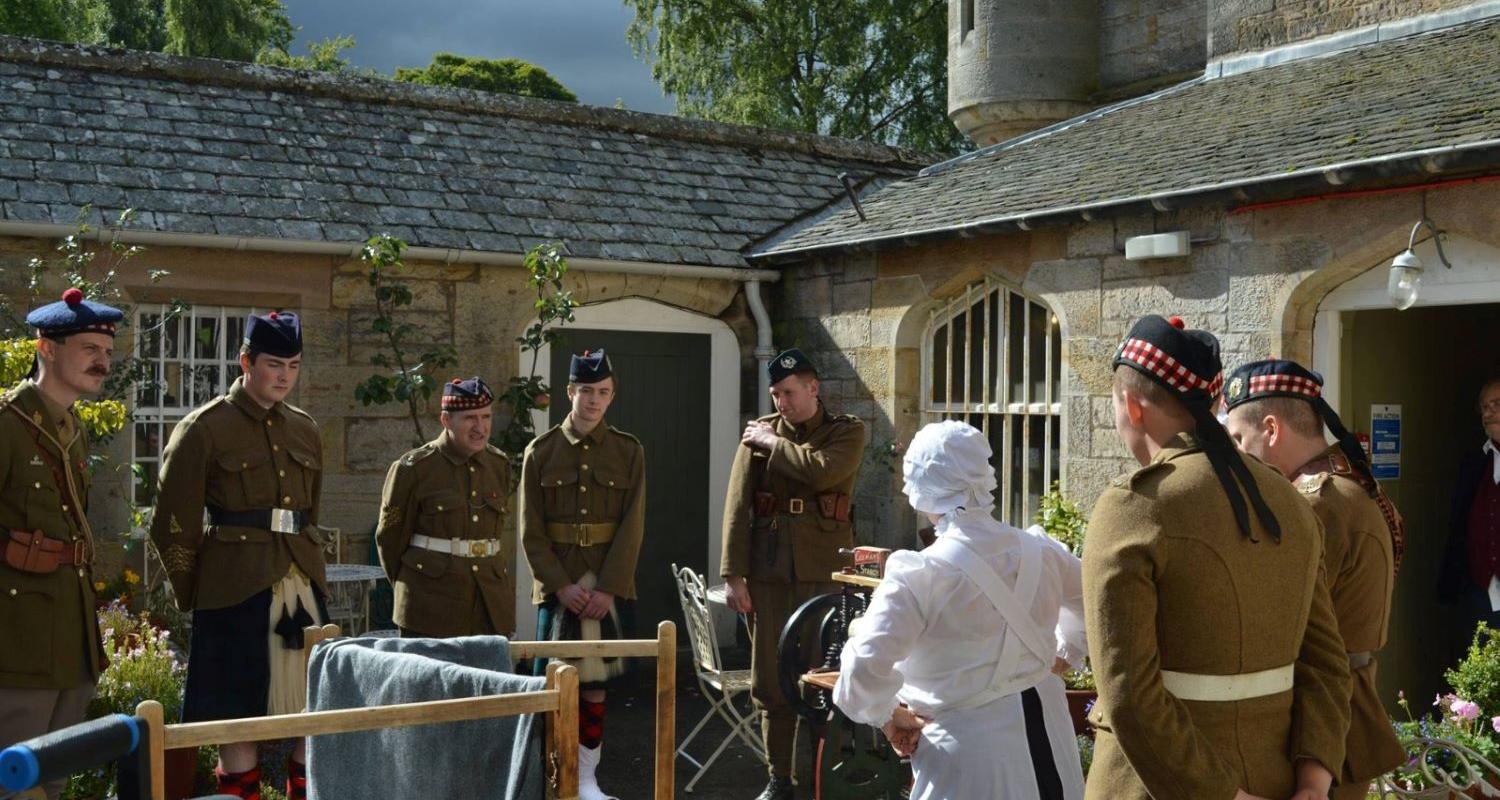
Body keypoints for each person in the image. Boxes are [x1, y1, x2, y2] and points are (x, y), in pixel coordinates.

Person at [1083, 314, 1350, 800]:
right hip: (1279, 781)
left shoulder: (1134, 507)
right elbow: (1328, 665)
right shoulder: (1289, 499)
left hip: (1159, 787)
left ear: (1131, 406)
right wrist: (1314, 781)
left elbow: (1128, 694)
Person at [834, 420, 1086, 800]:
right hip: (1050, 744)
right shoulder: (1041, 552)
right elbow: (1093, 601)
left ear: (922, 490)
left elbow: (862, 670)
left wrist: (888, 716)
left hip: (968, 762)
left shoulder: (921, 574)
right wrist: (1064, 653)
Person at [150, 311, 326, 800]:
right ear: (245, 360)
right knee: (236, 722)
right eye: (274, 364)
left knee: (317, 714)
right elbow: (172, 525)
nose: (285, 375)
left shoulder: (306, 429)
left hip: (300, 583)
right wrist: (199, 596)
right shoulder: (204, 428)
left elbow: (310, 512)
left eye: (293, 364)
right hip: (233, 590)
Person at [1223, 359, 1407, 799]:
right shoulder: (1348, 485)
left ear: (1271, 429)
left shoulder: (1313, 504)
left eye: (1238, 439)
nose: (1235, 455)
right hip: (1340, 708)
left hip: (1316, 723)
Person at [720, 347, 866, 800]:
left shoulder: (847, 432)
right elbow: (737, 506)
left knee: (826, 678)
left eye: (788, 392)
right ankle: (779, 779)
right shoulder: (758, 437)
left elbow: (822, 473)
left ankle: (826, 778)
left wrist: (773, 445)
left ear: (813, 388)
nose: (781, 402)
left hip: (825, 574)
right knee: (771, 683)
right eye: (775, 393)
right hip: (771, 574)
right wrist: (733, 575)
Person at [0, 289, 120, 800]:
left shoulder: (72, 430)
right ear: (46, 348)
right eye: (90, 349)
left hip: (70, 633)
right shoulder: (8, 426)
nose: (103, 362)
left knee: (55, 775)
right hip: (18, 638)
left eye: (108, 352)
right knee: (17, 778)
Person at [519, 349, 645, 800]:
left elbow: (633, 525)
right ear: (570, 392)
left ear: (612, 396)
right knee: (554, 684)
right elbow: (530, 531)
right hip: (561, 588)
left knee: (596, 688)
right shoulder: (541, 451)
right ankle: (551, 775)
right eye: (586, 391)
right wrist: (560, 585)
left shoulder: (629, 451)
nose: (594, 401)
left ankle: (586, 779)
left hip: (603, 589)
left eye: (603, 392)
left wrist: (609, 588)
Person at [376, 376, 515, 637]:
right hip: (429, 606)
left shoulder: (499, 465)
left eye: (486, 417)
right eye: (470, 418)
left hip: (489, 604)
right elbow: (390, 539)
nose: (480, 427)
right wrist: (413, 586)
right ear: (445, 420)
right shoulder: (414, 468)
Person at [1440, 377, 1500, 637]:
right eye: (1484, 407)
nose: (1488, 413)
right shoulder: (1475, 462)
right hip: (1480, 592)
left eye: (1497, 404)